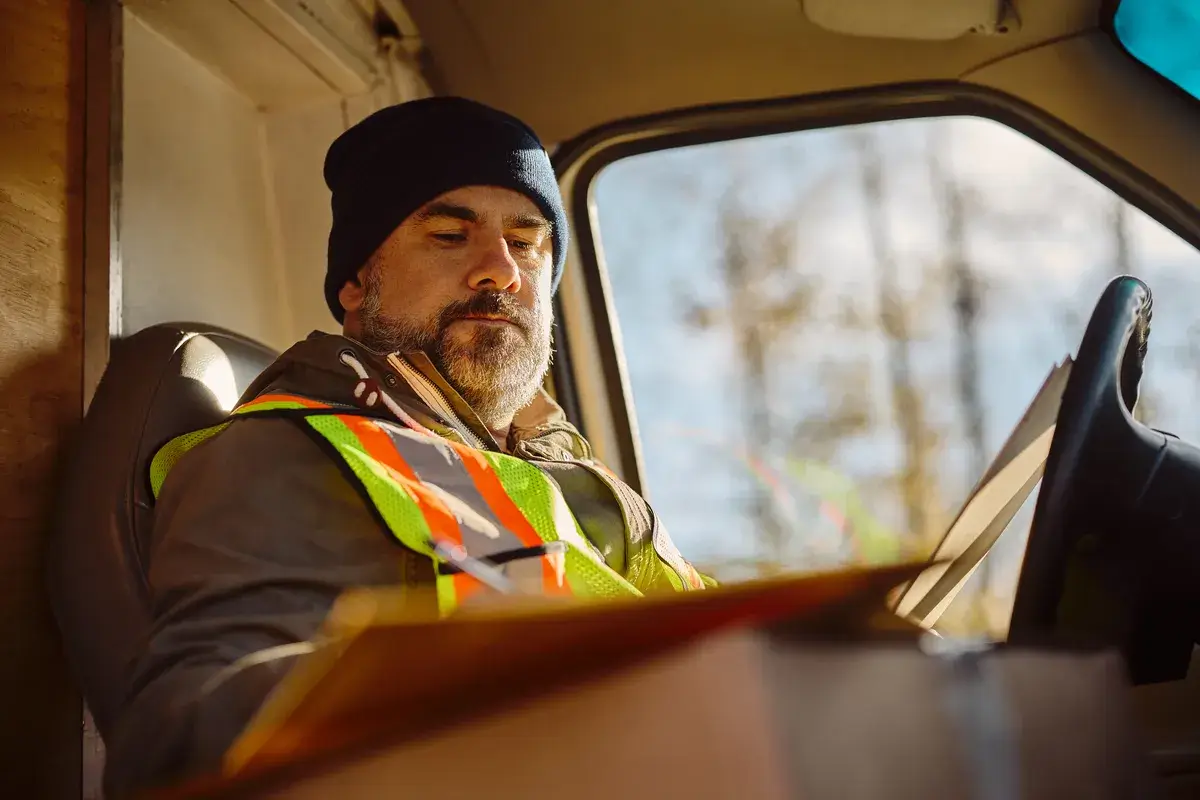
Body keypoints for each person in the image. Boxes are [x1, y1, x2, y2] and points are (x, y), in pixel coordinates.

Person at [104, 96, 710, 793]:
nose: (500, 271)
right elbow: (190, 742)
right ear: (358, 284)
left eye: (527, 242)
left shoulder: (588, 481)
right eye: (450, 236)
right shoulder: (287, 453)